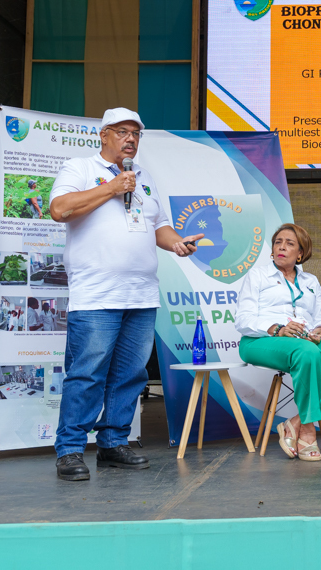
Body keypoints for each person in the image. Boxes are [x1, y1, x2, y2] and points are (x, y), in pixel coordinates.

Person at [48, 107, 204, 481]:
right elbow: (59, 209)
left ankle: (113, 443)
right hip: (97, 295)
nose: (130, 138)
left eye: (135, 133)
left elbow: (159, 226)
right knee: (87, 373)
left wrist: (178, 244)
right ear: (103, 135)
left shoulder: (145, 178)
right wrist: (111, 188)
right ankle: (70, 450)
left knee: (131, 374)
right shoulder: (80, 168)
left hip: (142, 294)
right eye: (122, 132)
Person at [236, 224, 321, 461]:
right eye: (278, 242)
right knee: (308, 352)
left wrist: (319, 330)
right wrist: (277, 329)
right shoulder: (258, 276)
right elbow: (243, 320)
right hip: (260, 341)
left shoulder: (310, 281)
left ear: (301, 253)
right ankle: (307, 429)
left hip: (304, 340)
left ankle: (294, 422)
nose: (282, 247)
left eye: (290, 243)